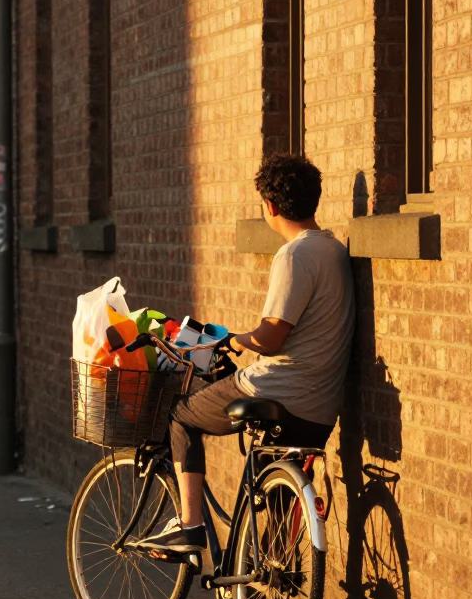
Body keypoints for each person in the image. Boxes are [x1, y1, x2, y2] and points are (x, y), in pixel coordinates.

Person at [136, 153, 355, 554]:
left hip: (280, 391)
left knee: (181, 416)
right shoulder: (334, 250)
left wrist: (232, 340)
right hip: (321, 409)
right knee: (275, 504)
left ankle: (190, 526)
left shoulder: (294, 255)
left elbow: (271, 339)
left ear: (269, 206)